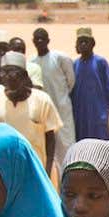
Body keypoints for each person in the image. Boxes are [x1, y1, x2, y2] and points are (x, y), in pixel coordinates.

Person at [0, 52, 62, 176]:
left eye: (12, 73)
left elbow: (50, 139)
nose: (7, 77)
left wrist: (47, 171)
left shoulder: (42, 100)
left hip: (35, 169)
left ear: (24, 76)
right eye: (3, 72)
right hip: (5, 170)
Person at [27, 28, 78, 170]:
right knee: (49, 146)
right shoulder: (31, 62)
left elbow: (71, 81)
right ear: (33, 41)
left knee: (66, 143)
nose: (39, 41)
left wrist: (62, 97)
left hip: (62, 108)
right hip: (43, 111)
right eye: (36, 39)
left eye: (42, 38)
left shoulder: (60, 58)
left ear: (48, 40)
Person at [70, 27, 109, 141]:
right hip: (80, 112)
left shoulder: (101, 62)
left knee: (100, 143)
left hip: (98, 111)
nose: (83, 44)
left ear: (93, 43)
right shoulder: (75, 64)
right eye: (80, 42)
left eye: (86, 41)